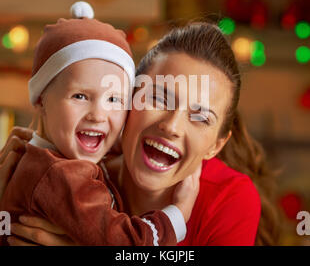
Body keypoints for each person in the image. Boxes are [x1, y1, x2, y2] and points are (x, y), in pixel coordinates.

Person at [0, 22, 279, 246]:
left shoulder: (229, 199)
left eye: (200, 117)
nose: (171, 126)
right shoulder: (71, 168)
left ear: (215, 146)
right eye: (158, 99)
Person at [0, 2, 201, 246]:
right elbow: (128, 244)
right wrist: (178, 214)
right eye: (80, 96)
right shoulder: (62, 175)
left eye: (114, 99)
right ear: (41, 100)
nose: (98, 115)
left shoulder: (46, 156)